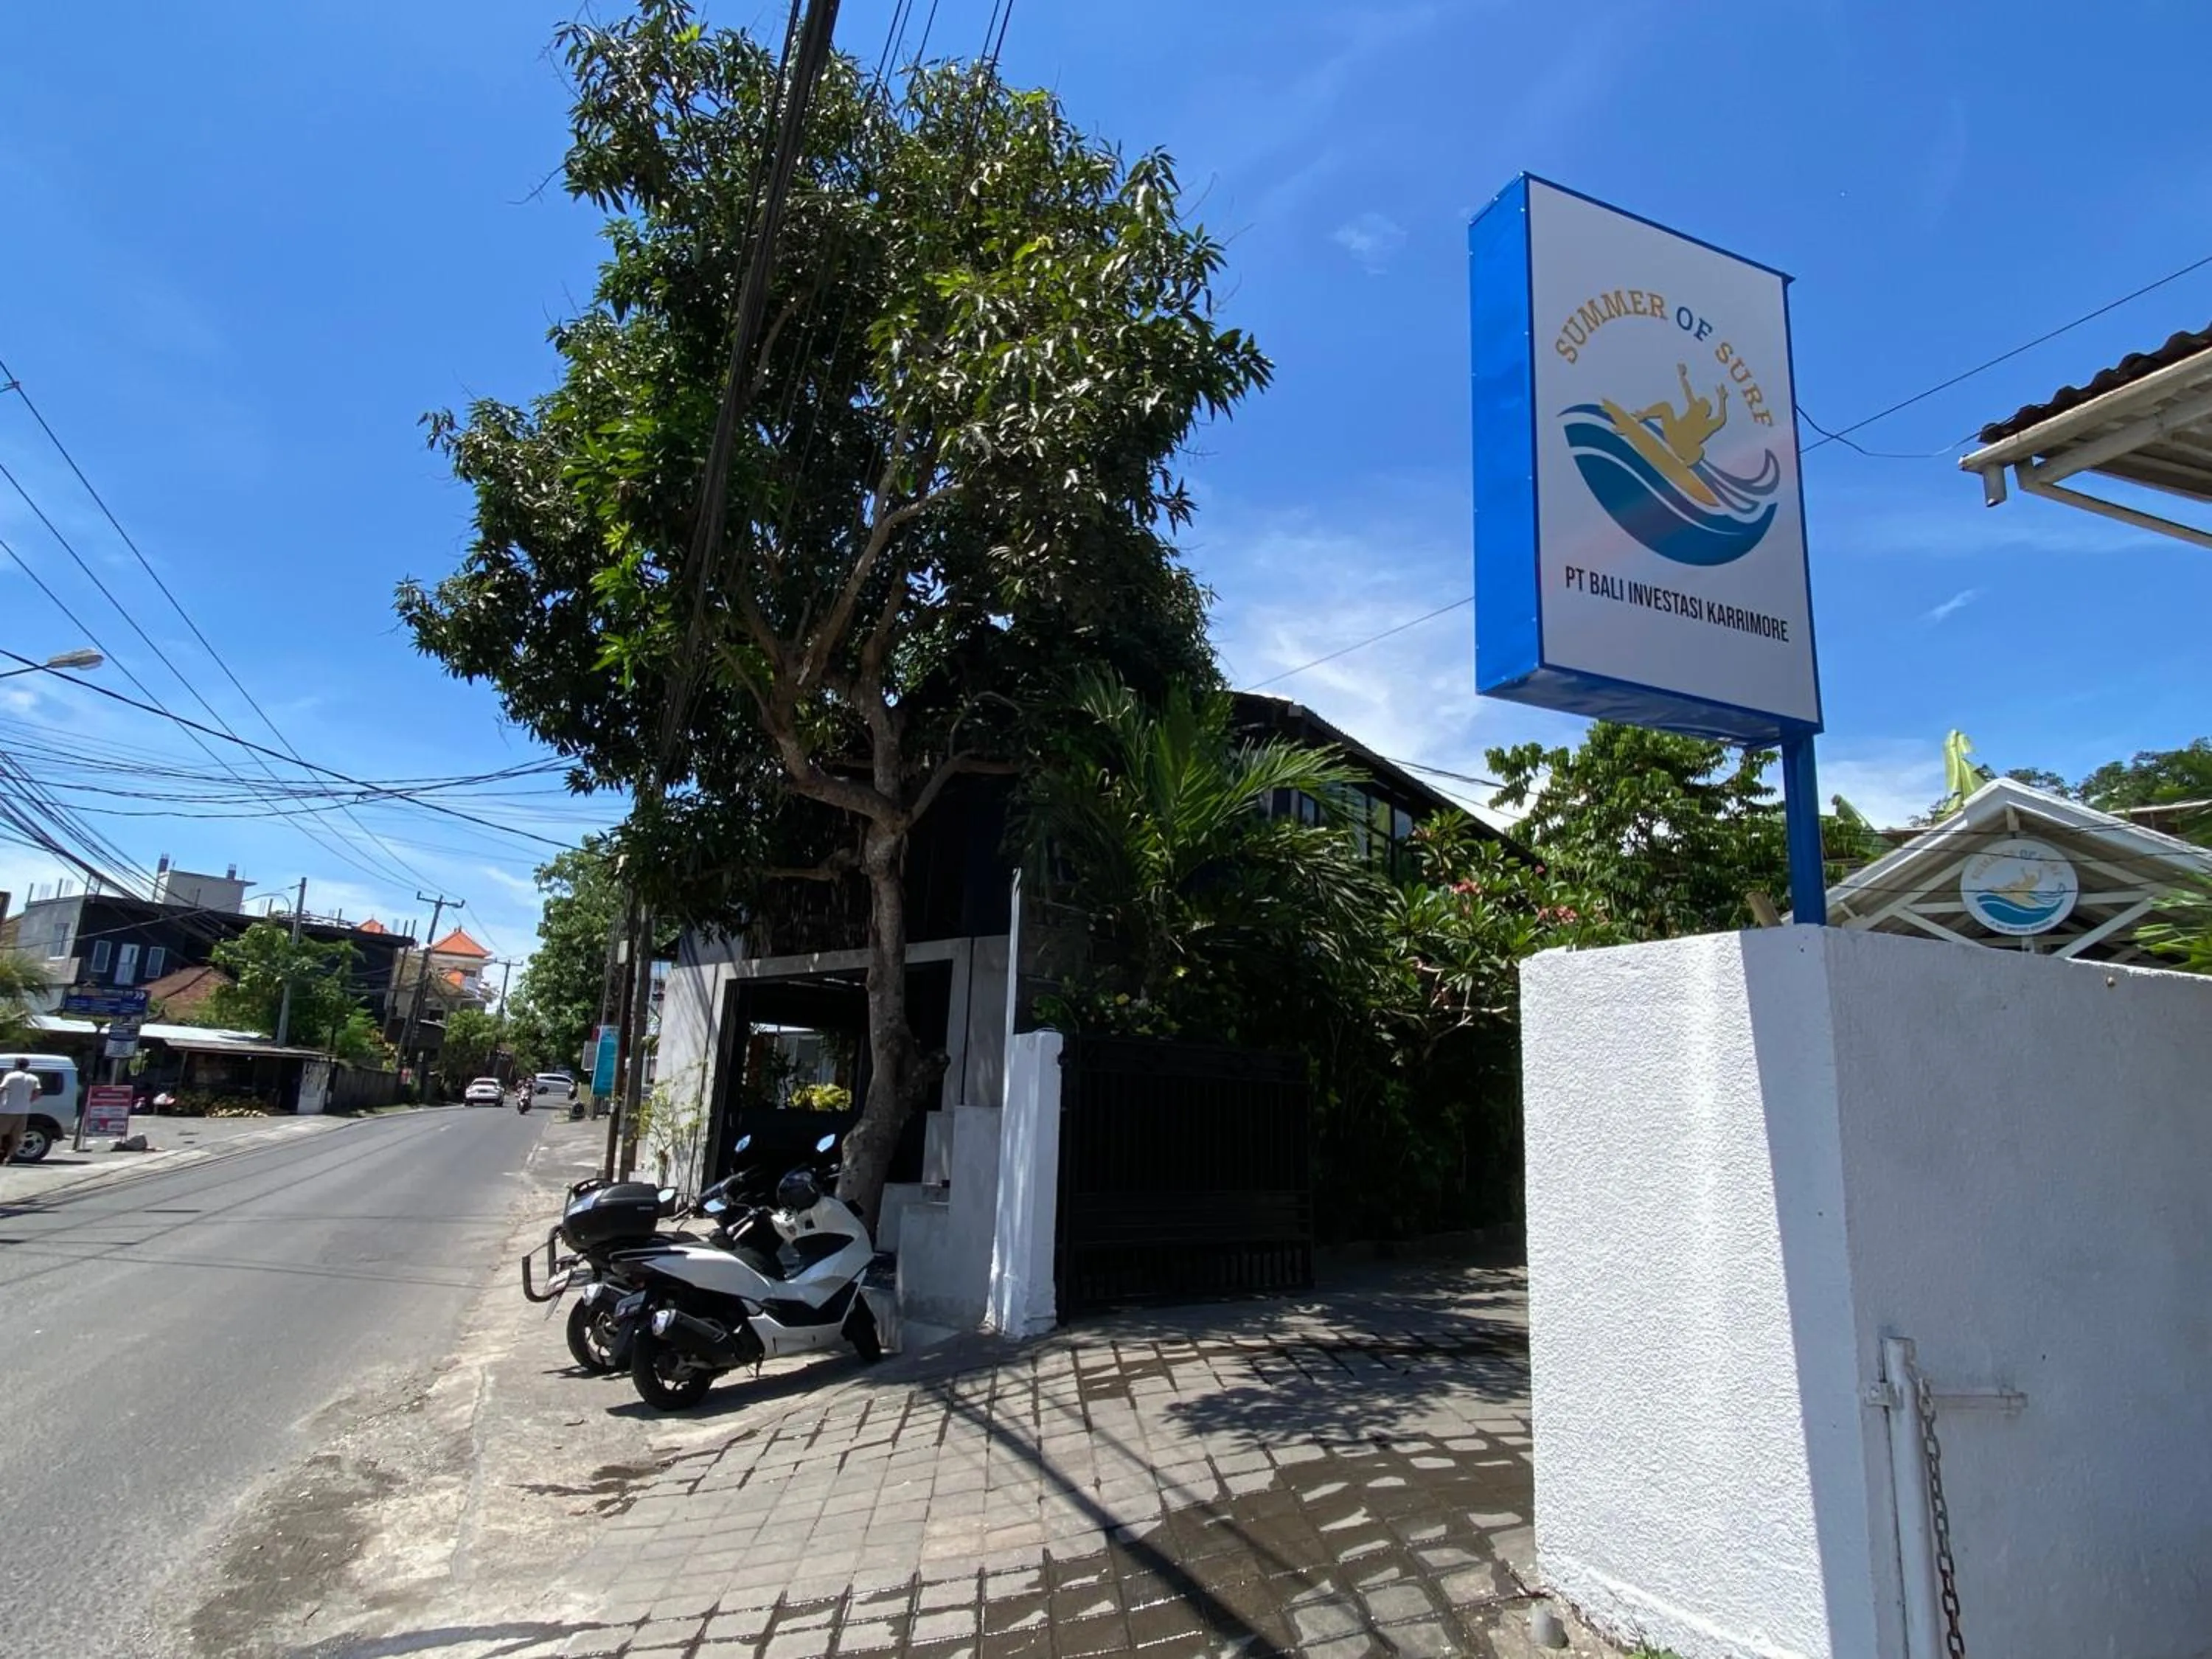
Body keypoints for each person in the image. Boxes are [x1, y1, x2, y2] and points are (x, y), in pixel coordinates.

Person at [0, 1057, 40, 1164]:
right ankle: (8, 1158)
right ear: (27, 1066)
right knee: (16, 1137)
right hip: (23, 1111)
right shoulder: (33, 1078)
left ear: (16, 1065)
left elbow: (2, 1088)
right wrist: (29, 1101)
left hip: (7, 1110)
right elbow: (38, 1092)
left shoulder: (10, 1076)